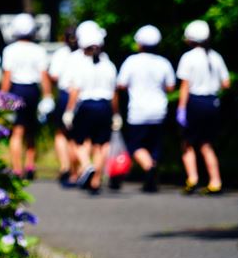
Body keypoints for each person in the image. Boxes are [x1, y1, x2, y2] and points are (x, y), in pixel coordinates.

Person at [63, 21, 121, 194]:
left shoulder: (80, 64)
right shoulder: (108, 65)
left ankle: (87, 166)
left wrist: (69, 111)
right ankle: (96, 180)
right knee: (102, 145)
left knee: (79, 141)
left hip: (86, 106)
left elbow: (75, 90)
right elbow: (114, 92)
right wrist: (116, 114)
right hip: (105, 107)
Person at [116, 25, 176, 192]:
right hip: (159, 110)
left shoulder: (132, 61)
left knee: (135, 146)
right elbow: (171, 87)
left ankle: (149, 167)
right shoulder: (163, 63)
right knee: (154, 145)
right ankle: (152, 169)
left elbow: (121, 84)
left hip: (138, 111)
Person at [175, 20, 230, 195]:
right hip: (212, 103)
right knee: (207, 144)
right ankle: (215, 181)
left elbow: (185, 86)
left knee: (188, 143)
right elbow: (226, 83)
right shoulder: (216, 56)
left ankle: (192, 179)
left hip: (195, 103)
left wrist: (181, 108)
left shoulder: (188, 57)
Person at [0, 13, 52, 179]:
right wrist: (48, 95)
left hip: (16, 90)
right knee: (31, 129)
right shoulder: (39, 50)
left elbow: (7, 76)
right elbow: (43, 76)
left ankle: (17, 167)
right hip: (32, 91)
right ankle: (30, 165)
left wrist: (2, 96)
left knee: (17, 130)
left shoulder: (10, 50)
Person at [47, 27, 80, 186]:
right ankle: (76, 171)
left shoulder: (61, 54)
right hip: (81, 97)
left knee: (62, 134)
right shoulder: (85, 55)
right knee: (76, 135)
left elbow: (54, 75)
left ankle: (65, 166)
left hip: (65, 95)